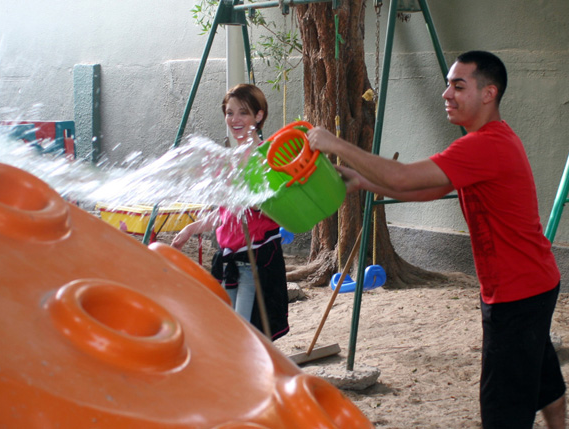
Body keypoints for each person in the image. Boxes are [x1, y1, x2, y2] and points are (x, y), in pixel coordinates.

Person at [307, 51, 566, 428]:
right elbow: (430, 187)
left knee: (503, 408)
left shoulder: (483, 145)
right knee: (541, 373)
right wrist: (364, 181)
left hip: (517, 294)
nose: (446, 93)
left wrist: (336, 144)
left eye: (458, 86)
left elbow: (403, 177)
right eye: (448, 84)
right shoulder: (487, 142)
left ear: (489, 94)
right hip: (535, 282)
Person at [172, 83, 289, 341]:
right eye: (230, 112)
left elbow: (279, 208)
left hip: (255, 262)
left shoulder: (267, 157)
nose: (235, 119)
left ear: (259, 116)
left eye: (243, 113)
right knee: (225, 332)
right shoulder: (230, 160)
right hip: (228, 261)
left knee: (244, 335)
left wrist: (256, 201)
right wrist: (191, 228)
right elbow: (225, 214)